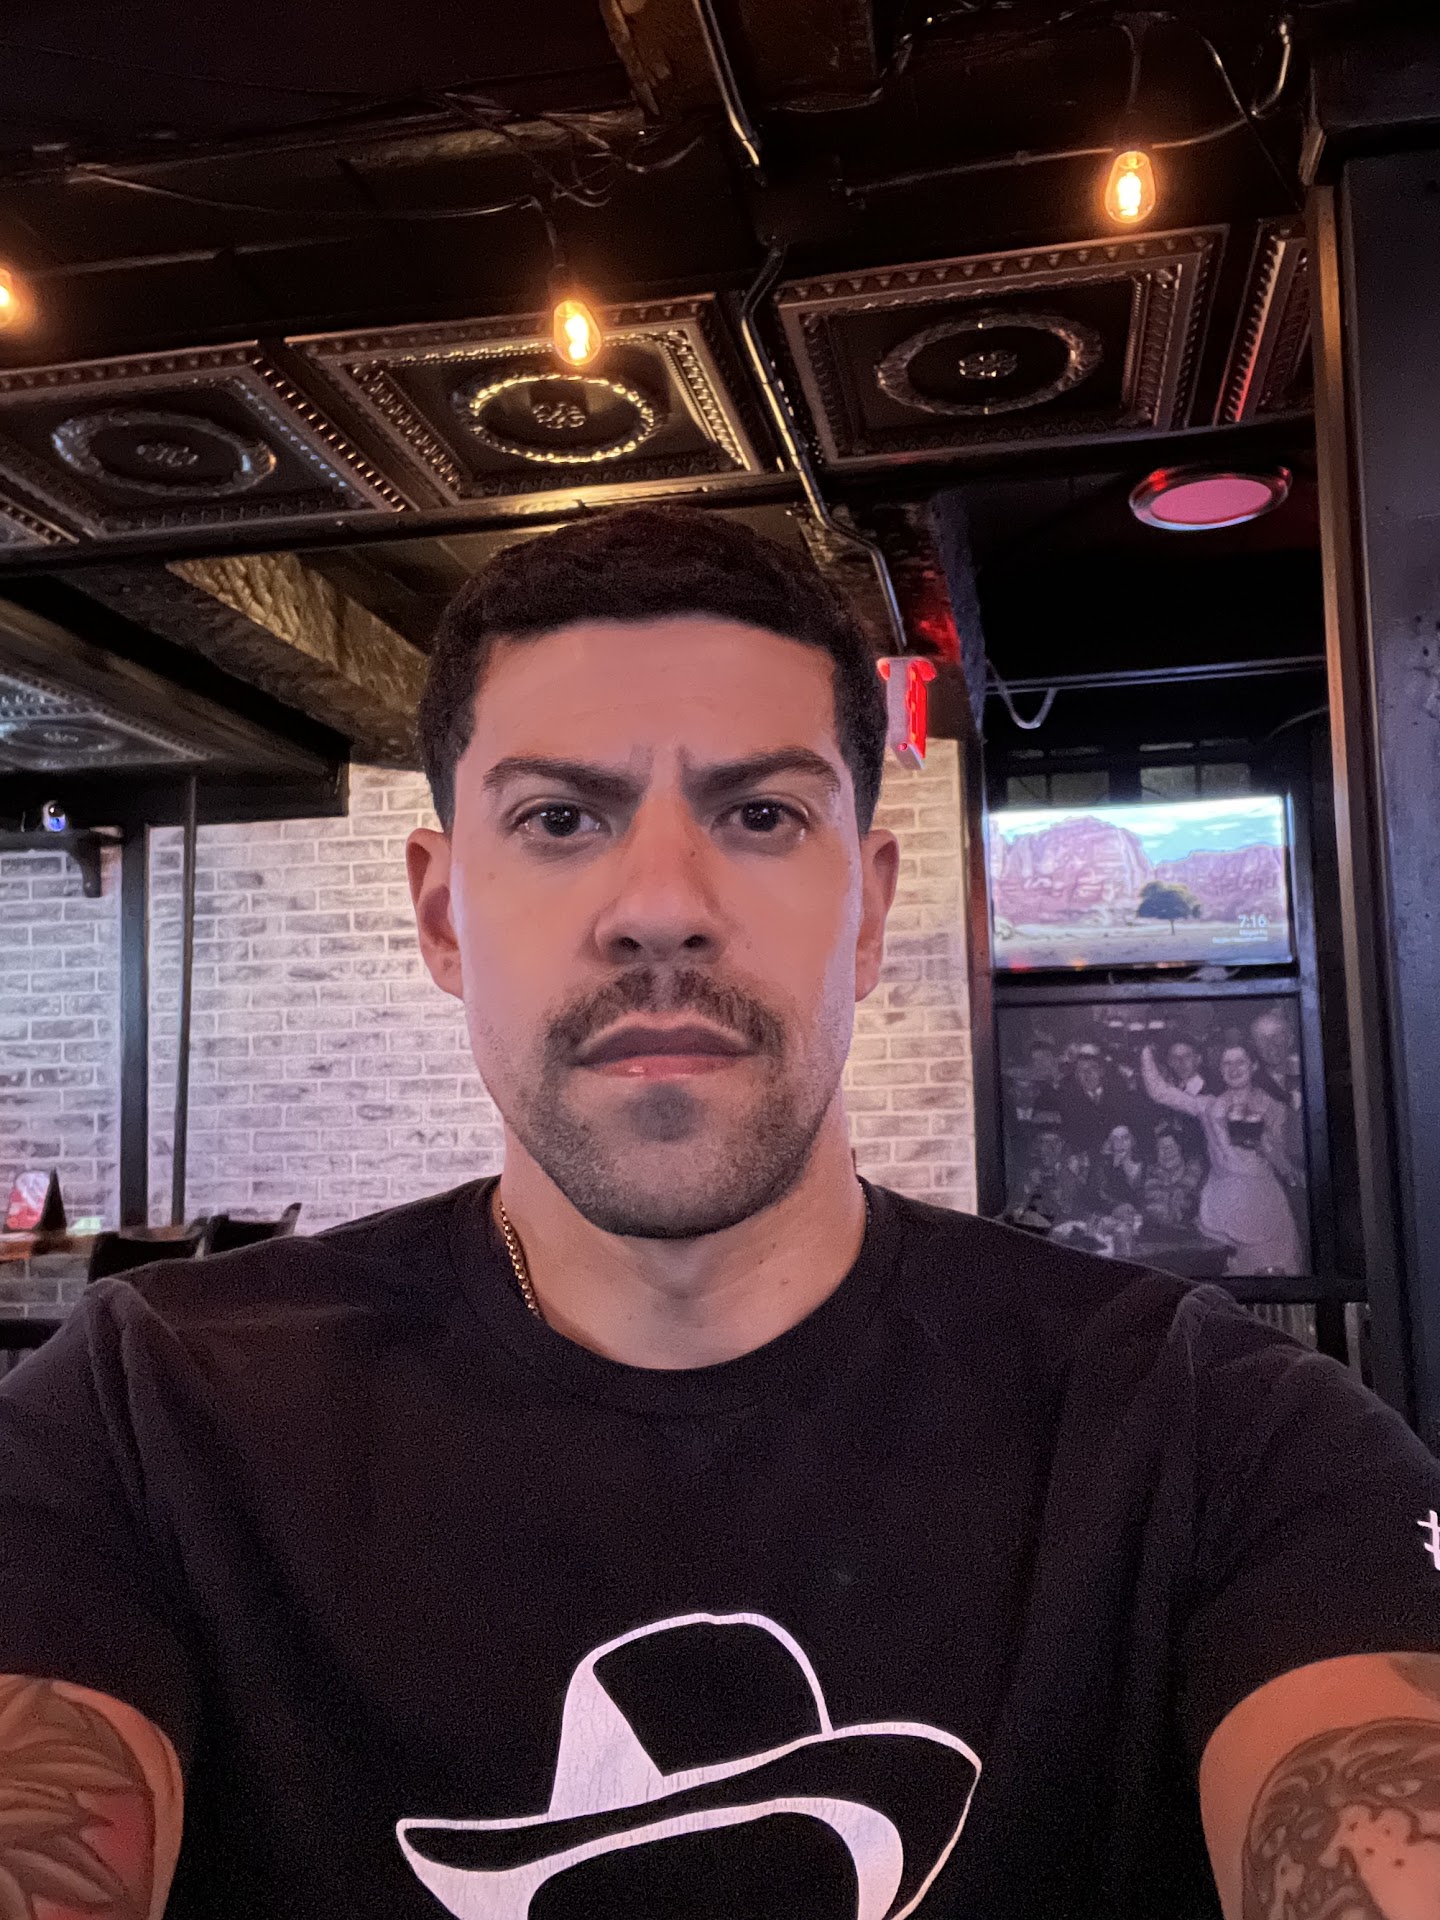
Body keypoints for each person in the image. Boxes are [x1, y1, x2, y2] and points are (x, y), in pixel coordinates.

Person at [0, 506, 1437, 1920]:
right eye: (560, 818)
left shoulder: (1220, 1437)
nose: (661, 907)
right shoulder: (142, 1425)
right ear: (442, 917)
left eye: (760, 814)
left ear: (866, 911)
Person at [1141, 1041, 1305, 1274]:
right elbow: (1159, 1092)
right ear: (1220, 1069)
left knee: (1272, 1279)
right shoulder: (1209, 1106)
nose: (1233, 1069)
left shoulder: (1274, 1107)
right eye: (1227, 1063)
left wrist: (1264, 1144)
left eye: (1240, 1062)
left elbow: (1287, 1166)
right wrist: (1146, 1051)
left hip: (1262, 1203)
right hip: (1220, 1205)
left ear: (1253, 1066)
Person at [1142, 1125, 1206, 1232]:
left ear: (1180, 1148)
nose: (1166, 1153)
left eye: (1170, 1147)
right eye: (1161, 1148)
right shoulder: (1151, 1178)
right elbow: (1152, 1215)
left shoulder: (1198, 1177)